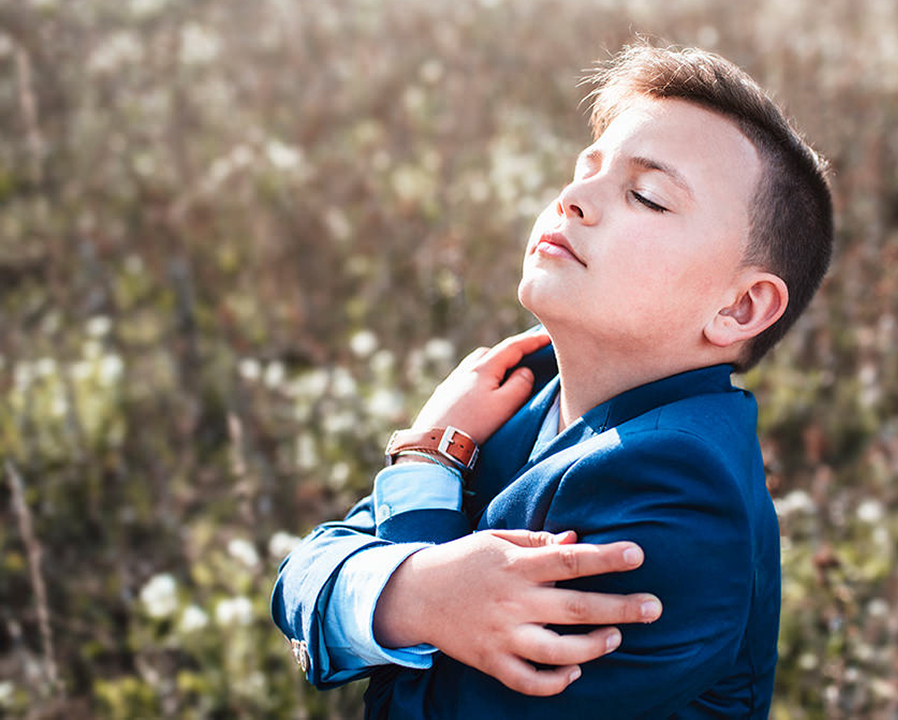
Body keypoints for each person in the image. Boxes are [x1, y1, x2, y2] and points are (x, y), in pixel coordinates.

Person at [271, 42, 832, 718]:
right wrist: (418, 591)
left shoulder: (682, 487)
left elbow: (428, 706)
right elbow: (298, 580)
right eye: (585, 170)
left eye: (647, 196)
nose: (573, 199)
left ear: (739, 307)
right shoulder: (516, 395)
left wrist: (425, 463)